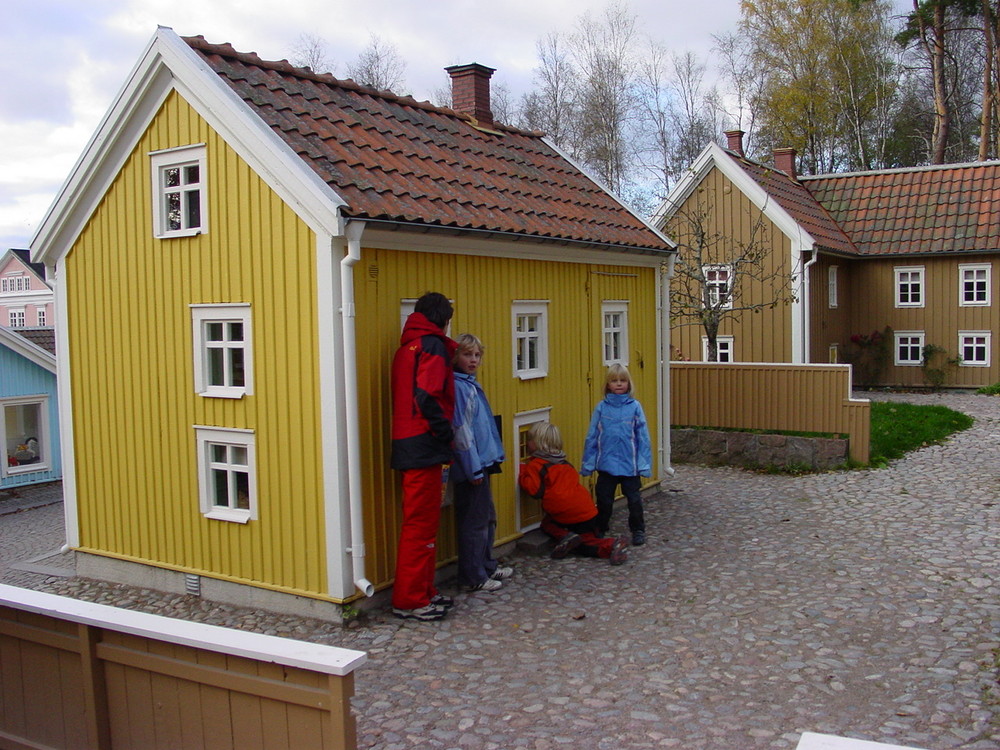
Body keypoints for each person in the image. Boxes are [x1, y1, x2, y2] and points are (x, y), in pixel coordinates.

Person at [390, 292, 457, 621]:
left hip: (409, 442)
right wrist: (446, 434)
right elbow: (428, 395)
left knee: (421, 524)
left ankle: (423, 591)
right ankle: (411, 599)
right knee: (420, 526)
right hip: (424, 444)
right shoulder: (431, 346)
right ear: (443, 319)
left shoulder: (407, 347)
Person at [519, 421, 628, 565]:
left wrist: (522, 472)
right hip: (588, 511)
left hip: (564, 513)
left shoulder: (536, 465)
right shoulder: (564, 463)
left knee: (551, 527)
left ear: (537, 444)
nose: (527, 443)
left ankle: (572, 537)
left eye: (530, 440)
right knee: (587, 536)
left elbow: (534, 491)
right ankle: (608, 542)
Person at [451, 333, 511, 592]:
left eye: (477, 355)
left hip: (483, 461)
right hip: (471, 466)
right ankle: (473, 575)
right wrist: (473, 467)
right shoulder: (459, 387)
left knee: (487, 516)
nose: (473, 360)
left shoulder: (470, 384)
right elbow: (461, 432)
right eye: (467, 354)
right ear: (456, 356)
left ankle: (486, 564)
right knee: (473, 521)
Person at [581, 364, 653, 546]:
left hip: (631, 465)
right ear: (608, 385)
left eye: (623, 380)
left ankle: (638, 529)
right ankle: (601, 527)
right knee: (604, 501)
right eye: (614, 381)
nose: (619, 384)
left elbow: (642, 437)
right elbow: (592, 437)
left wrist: (644, 464)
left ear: (629, 384)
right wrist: (588, 464)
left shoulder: (635, 407)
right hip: (607, 464)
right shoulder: (601, 408)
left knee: (634, 501)